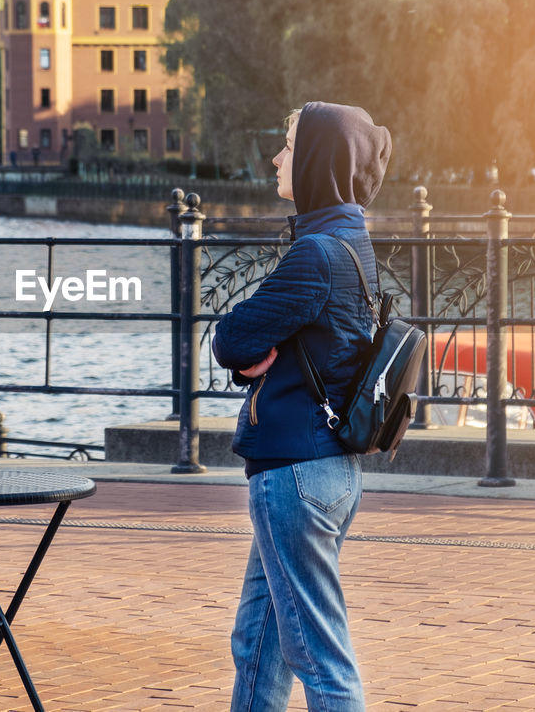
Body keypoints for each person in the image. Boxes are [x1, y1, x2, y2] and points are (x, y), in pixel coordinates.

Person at [212, 101, 392, 710]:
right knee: (258, 644)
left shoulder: (316, 255)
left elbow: (231, 337)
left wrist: (248, 353)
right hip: (324, 470)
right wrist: (257, 353)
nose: (276, 157)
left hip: (297, 473)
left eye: (288, 145)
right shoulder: (347, 241)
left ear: (317, 158)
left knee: (320, 659)